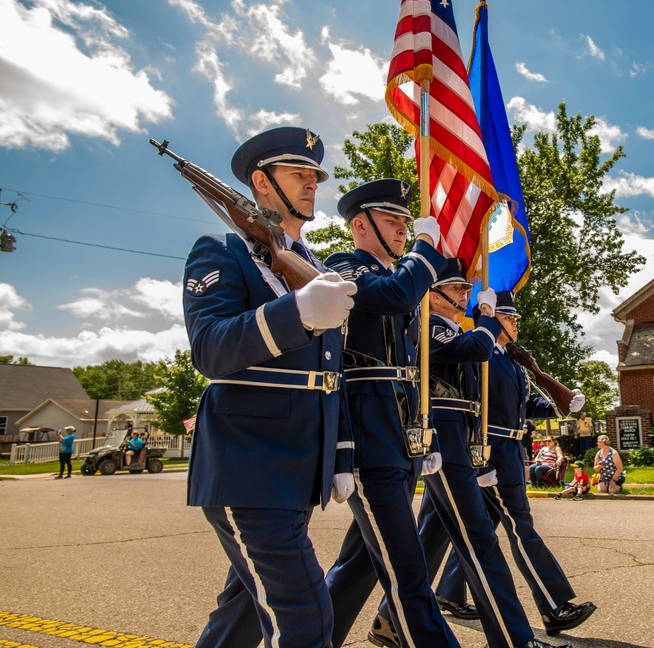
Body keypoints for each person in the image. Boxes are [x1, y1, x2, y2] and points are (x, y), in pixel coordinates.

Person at [184, 126, 357, 648]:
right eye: (297, 174)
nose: (311, 183)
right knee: (304, 617)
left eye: (315, 176)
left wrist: (341, 452)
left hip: (299, 466)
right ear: (261, 183)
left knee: (240, 613)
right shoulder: (221, 250)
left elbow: (333, 371)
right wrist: (296, 313)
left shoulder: (315, 269)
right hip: (249, 463)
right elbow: (210, 350)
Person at [367, 260, 560, 648]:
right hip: (443, 441)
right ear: (432, 294)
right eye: (455, 289)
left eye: (464, 288)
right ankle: (515, 640)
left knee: (435, 538)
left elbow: (476, 398)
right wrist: (488, 318)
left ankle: (389, 621)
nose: (464, 294)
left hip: (462, 444)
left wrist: (481, 457)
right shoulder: (429, 326)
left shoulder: (456, 328)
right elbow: (471, 350)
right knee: (479, 541)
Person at [322, 178, 462, 648]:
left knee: (361, 563)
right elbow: (395, 295)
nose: (404, 227)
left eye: (406, 221)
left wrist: (429, 439)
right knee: (408, 570)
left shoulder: (403, 277)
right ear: (360, 226)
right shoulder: (344, 267)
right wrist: (426, 248)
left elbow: (416, 369)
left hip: (401, 436)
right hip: (369, 437)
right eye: (392, 220)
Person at [435, 291, 597, 638]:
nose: (515, 324)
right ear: (494, 321)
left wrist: (559, 402)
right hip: (492, 452)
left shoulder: (509, 359)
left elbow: (523, 407)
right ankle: (555, 606)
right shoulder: (480, 357)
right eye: (510, 319)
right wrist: (480, 463)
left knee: (484, 528)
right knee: (522, 528)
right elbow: (472, 410)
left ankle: (448, 592)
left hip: (511, 452)